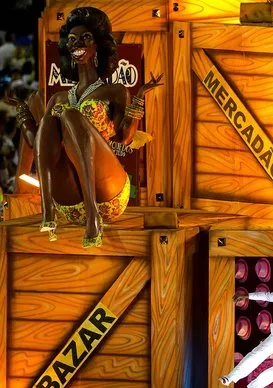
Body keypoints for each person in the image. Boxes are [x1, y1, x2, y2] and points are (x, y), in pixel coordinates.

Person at [5, 7, 161, 247]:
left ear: (98, 44)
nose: (78, 43)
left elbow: (125, 138)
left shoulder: (115, 91)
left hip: (108, 194)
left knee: (70, 115)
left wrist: (139, 97)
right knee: (50, 119)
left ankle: (93, 218)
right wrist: (23, 110)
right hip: (70, 204)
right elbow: (35, 141)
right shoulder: (58, 98)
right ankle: (49, 211)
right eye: (73, 39)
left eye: (85, 38)